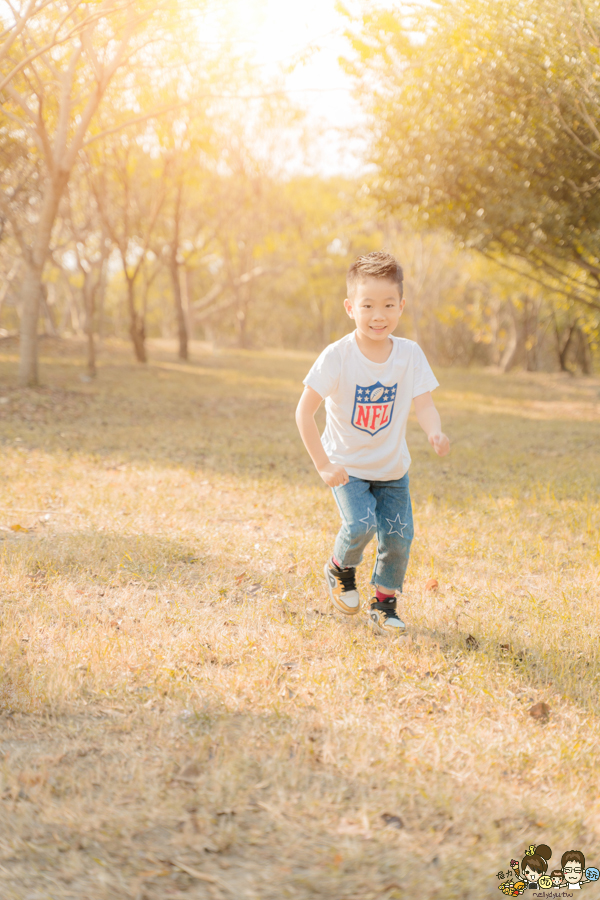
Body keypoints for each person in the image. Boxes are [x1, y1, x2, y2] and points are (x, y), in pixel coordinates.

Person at [295, 251, 450, 634]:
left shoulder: (410, 354)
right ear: (351, 307)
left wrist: (434, 430)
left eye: (387, 305)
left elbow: (425, 404)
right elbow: (304, 412)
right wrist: (323, 464)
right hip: (348, 467)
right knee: (361, 525)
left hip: (393, 468)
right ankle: (339, 567)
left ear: (401, 306)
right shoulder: (337, 356)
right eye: (367, 305)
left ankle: (384, 604)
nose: (378, 314)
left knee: (398, 538)